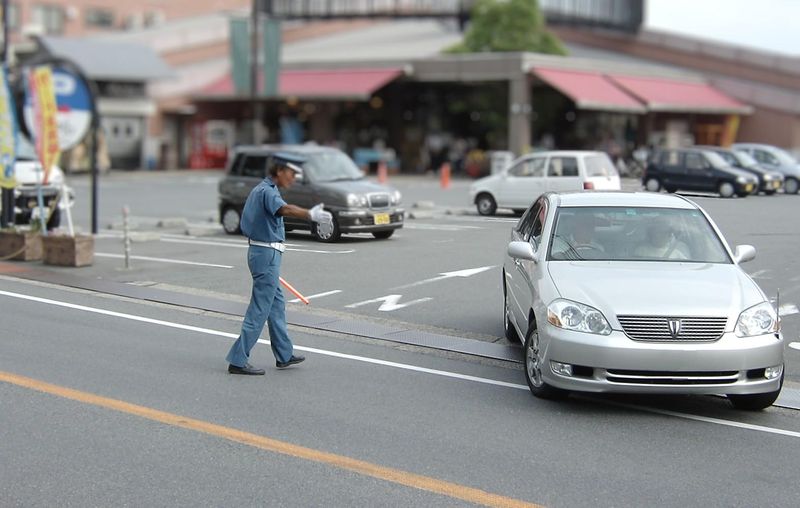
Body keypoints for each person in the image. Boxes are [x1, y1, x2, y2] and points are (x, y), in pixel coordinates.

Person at [226, 153, 332, 375]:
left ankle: (284, 355)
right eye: (292, 173)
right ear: (280, 170)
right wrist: (310, 214)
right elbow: (285, 209)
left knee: (275, 306)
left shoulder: (263, 189)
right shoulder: (267, 192)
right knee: (259, 309)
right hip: (266, 255)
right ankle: (238, 359)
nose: (294, 178)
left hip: (263, 254)